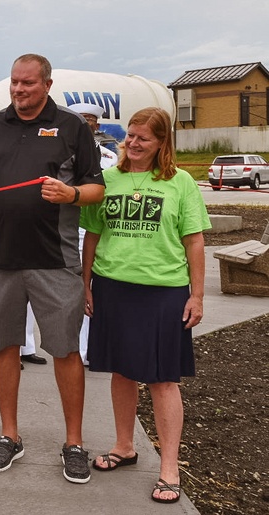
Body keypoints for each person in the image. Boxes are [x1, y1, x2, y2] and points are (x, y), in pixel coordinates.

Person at [0, 53, 104, 484]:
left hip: (55, 263)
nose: (19, 91)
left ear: (47, 84)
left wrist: (71, 195)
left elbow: (96, 187)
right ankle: (9, 436)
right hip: (0, 262)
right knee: (3, 348)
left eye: (28, 84)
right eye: (14, 83)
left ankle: (73, 443)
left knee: (64, 351)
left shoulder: (72, 127)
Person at [81, 107, 209, 504]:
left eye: (143, 138)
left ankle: (169, 468)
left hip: (163, 292)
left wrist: (198, 294)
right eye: (130, 136)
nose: (133, 143)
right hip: (112, 288)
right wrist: (84, 284)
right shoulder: (107, 179)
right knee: (121, 371)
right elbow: (92, 234)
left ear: (162, 143)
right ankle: (124, 447)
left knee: (162, 379)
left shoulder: (180, 182)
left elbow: (195, 241)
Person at [68, 101, 119, 365]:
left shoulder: (111, 159)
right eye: (80, 119)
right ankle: (67, 348)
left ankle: (88, 351)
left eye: (90, 120)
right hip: (65, 232)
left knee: (93, 293)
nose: (86, 124)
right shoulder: (62, 153)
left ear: (96, 126)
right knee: (66, 294)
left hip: (99, 233)